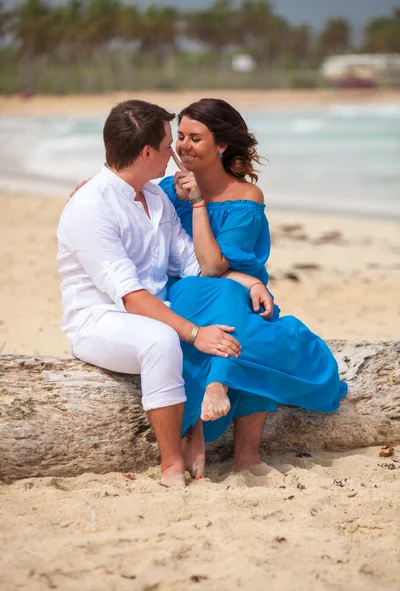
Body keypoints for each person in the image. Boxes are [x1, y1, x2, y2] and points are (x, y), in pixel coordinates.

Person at [57, 99, 270, 487]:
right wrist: (194, 332)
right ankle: (172, 463)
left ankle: (211, 434)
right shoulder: (91, 206)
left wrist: (250, 283)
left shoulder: (156, 198)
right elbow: (130, 297)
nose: (176, 152)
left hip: (159, 305)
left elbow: (194, 267)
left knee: (234, 306)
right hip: (100, 319)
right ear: (146, 152)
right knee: (161, 340)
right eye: (170, 142)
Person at [155, 98, 348, 477]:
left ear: (222, 145)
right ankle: (212, 401)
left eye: (195, 137)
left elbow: (214, 265)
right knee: (235, 310)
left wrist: (197, 203)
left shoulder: (246, 197)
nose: (183, 146)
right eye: (180, 137)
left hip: (237, 296)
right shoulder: (165, 189)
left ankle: (242, 452)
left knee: (263, 329)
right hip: (186, 294)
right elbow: (202, 272)